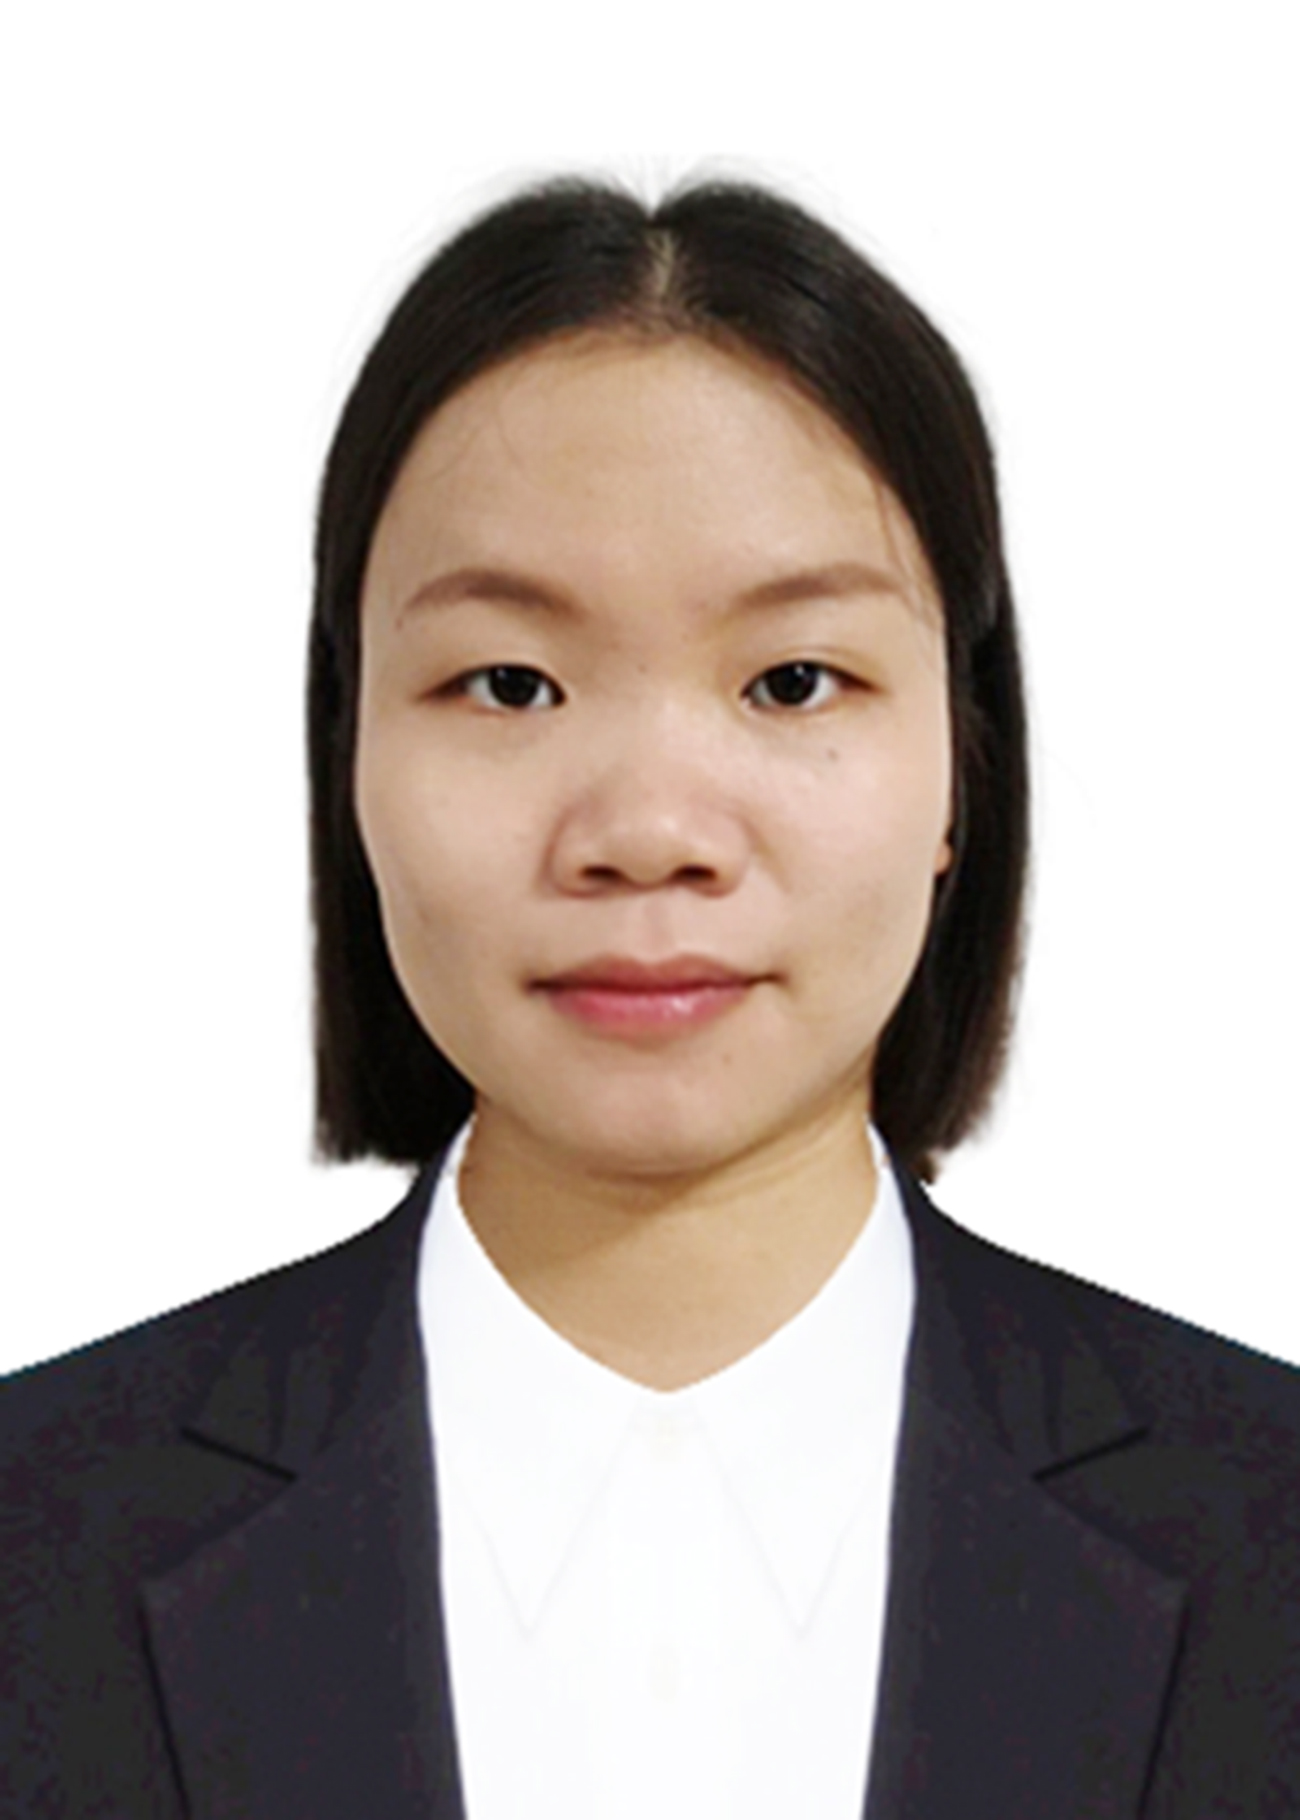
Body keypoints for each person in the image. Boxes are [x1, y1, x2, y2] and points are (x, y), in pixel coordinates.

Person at [2, 173, 1297, 1819]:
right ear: (351, 756)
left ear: (959, 768)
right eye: (510, 683)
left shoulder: (1266, 1529)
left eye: (793, 681)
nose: (649, 831)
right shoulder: (38, 1534)